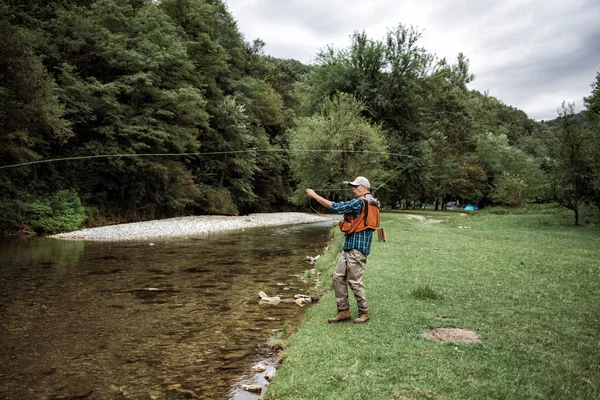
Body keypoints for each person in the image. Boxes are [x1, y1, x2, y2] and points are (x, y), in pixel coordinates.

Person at [305, 176, 380, 324]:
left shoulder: (359, 202)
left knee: (355, 281)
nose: (352, 188)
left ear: (364, 188)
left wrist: (314, 196)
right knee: (337, 276)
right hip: (349, 247)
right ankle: (343, 311)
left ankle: (363, 312)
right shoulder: (371, 201)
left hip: (357, 249)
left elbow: (336, 207)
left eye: (355, 186)